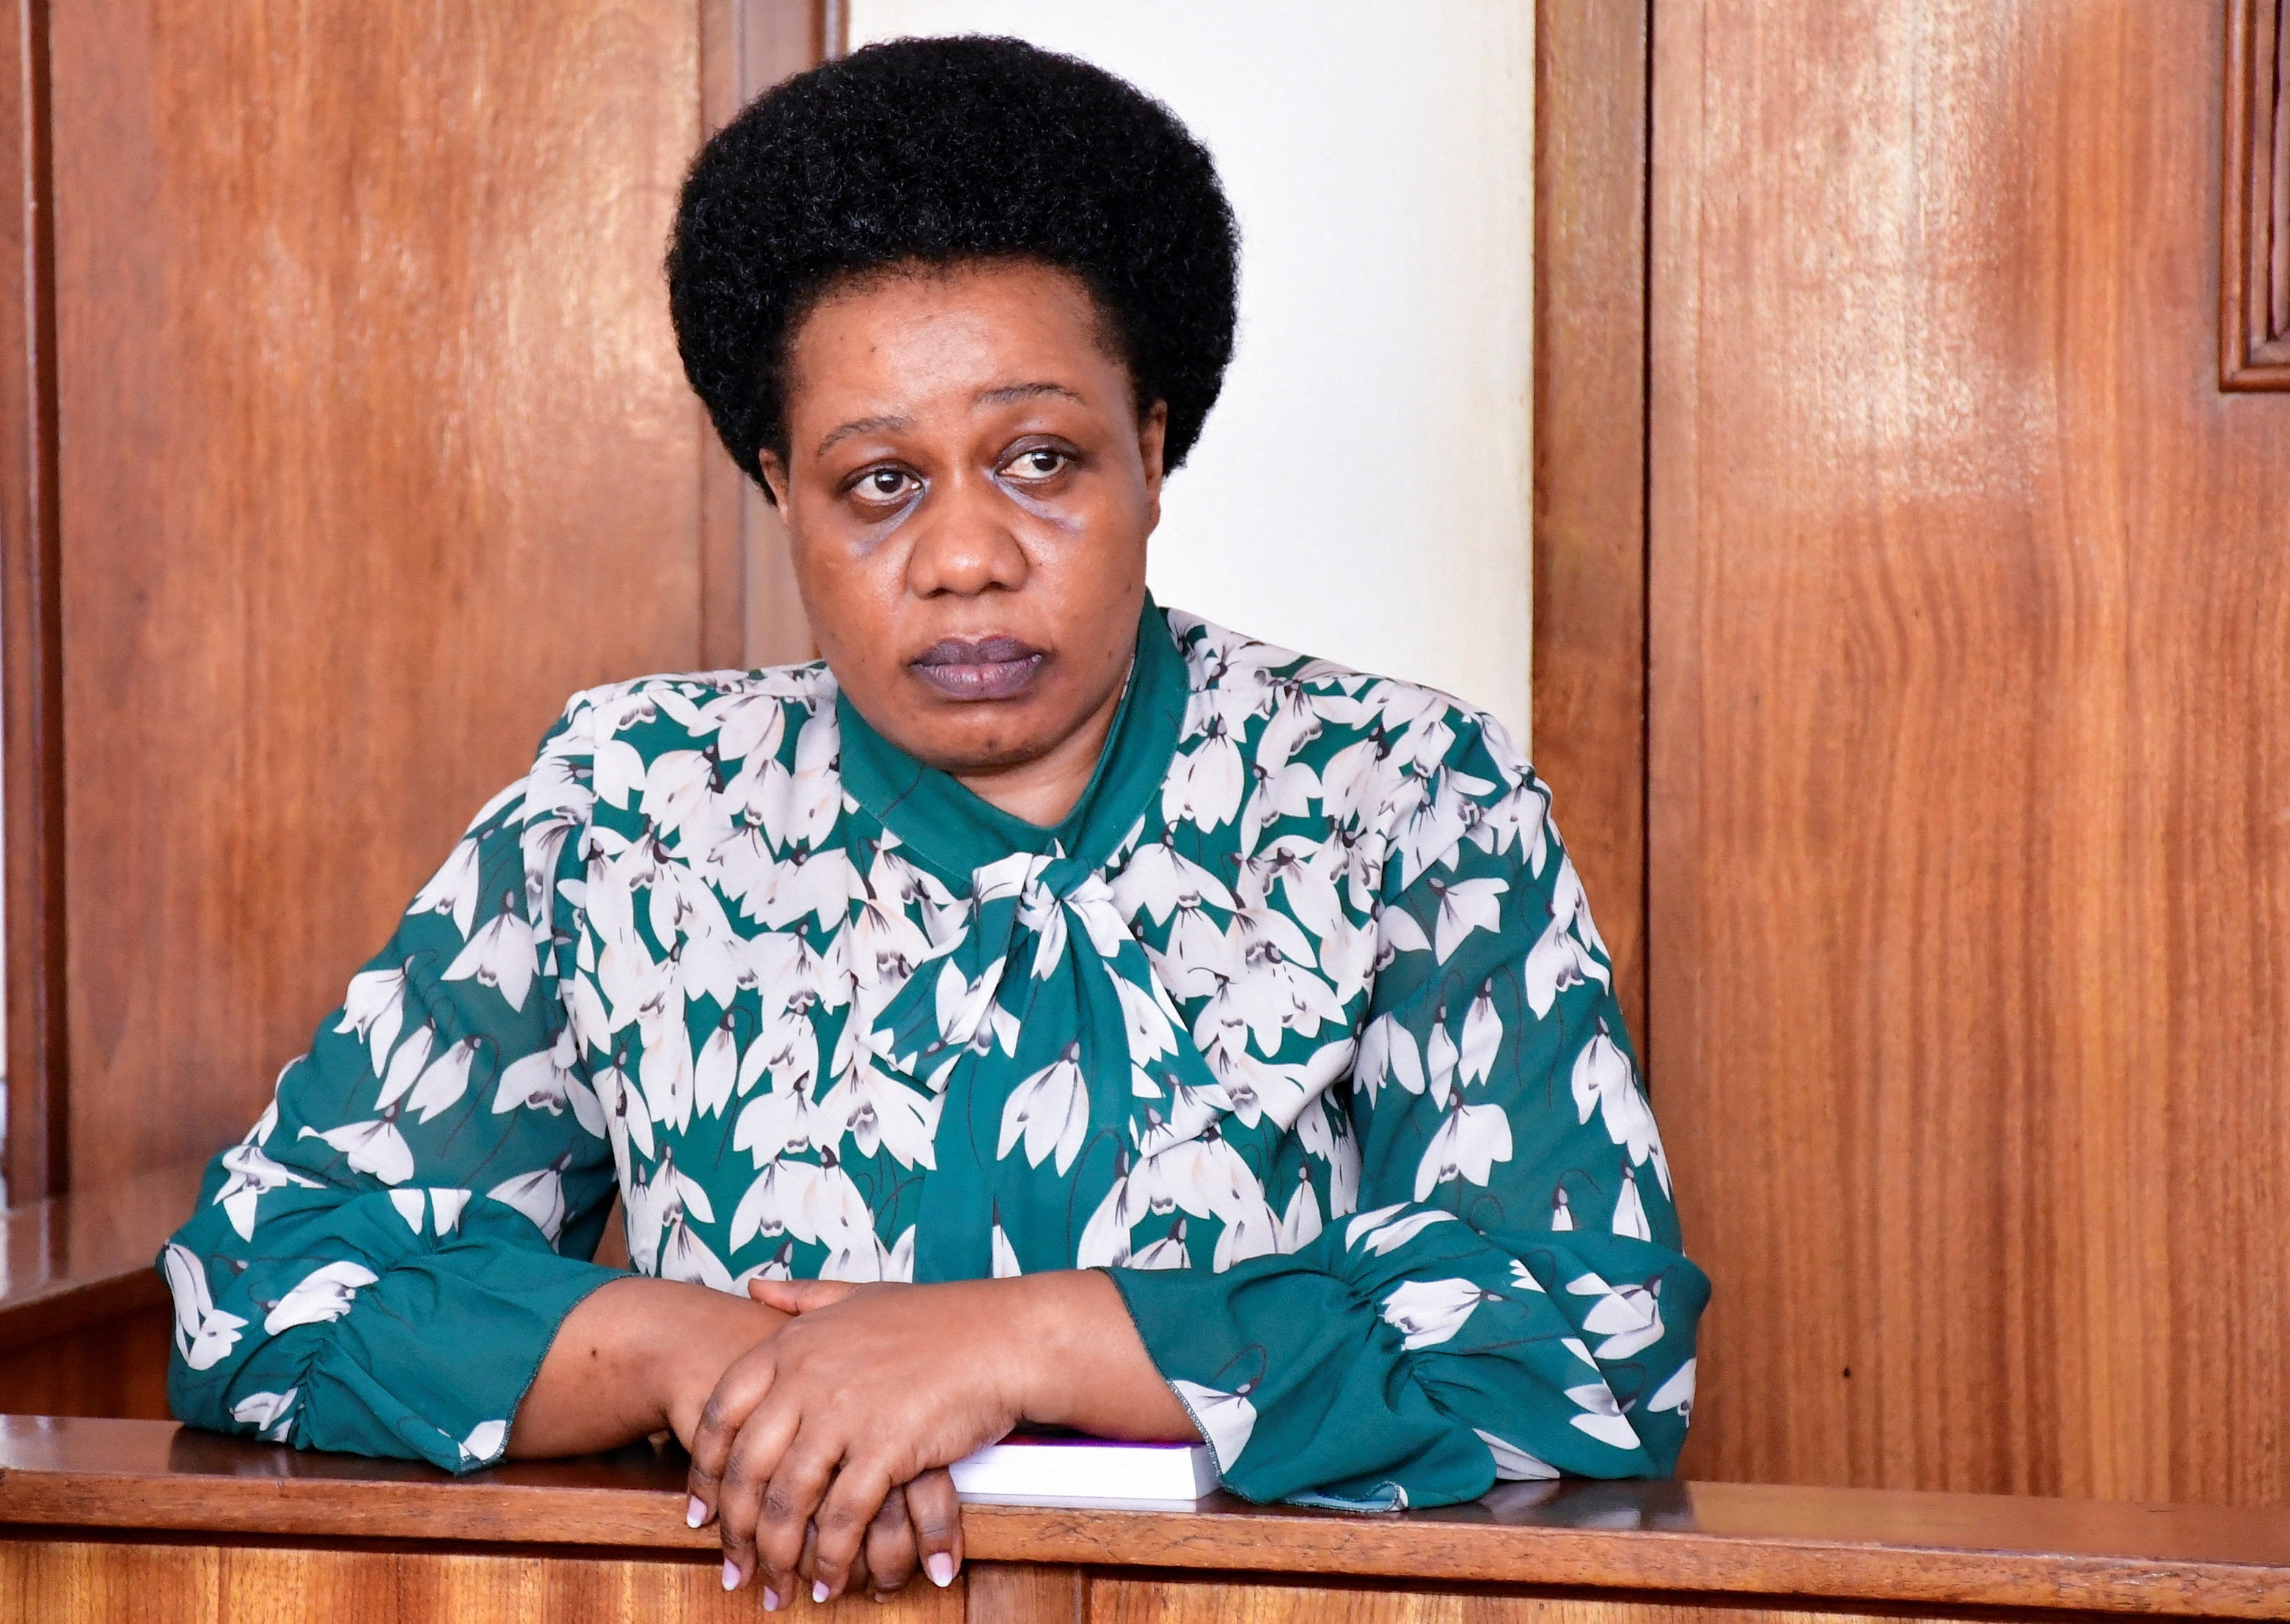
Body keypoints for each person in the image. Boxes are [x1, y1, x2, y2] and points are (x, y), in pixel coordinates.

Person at [160, 34, 1706, 1609]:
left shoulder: (1401, 794)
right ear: (779, 485)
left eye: (1040, 461)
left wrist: (1009, 1340)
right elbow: (262, 1284)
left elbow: (1584, 1333)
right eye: (877, 482)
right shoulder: (626, 806)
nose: (966, 555)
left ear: (1154, 449)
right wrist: (698, 1360)